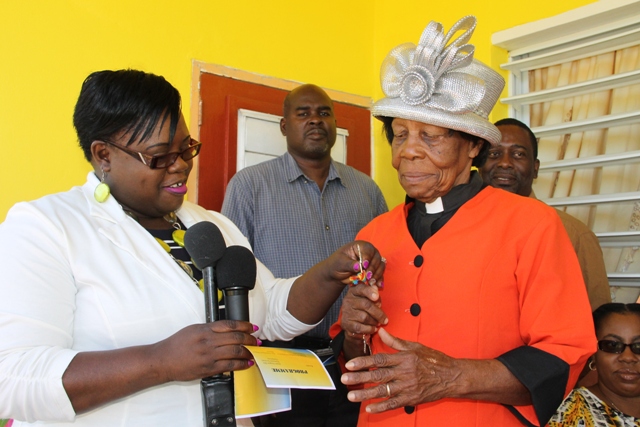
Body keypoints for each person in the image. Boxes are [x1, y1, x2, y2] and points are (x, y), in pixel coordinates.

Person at [0, 69, 385, 427]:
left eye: (187, 149)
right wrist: (160, 362)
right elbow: (12, 378)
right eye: (160, 156)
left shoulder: (209, 224)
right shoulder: (47, 227)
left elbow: (273, 311)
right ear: (104, 155)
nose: (181, 166)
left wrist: (331, 271)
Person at [329, 16, 596, 427]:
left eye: (430, 136)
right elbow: (357, 360)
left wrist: (453, 377)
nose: (408, 153)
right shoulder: (374, 234)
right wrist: (351, 330)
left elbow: (564, 353)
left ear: (473, 146)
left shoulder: (532, 225)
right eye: (400, 135)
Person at [221, 83, 387, 427]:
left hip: (351, 357)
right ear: (284, 126)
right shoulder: (249, 186)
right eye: (303, 113)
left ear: (335, 125)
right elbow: (232, 279)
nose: (315, 120)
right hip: (281, 360)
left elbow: (386, 265)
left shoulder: (366, 189)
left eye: (324, 113)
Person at [479, 118, 611, 311]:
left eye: (518, 154)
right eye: (494, 154)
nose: (505, 163)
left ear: (535, 168)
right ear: (479, 164)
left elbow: (598, 318)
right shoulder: (458, 226)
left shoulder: (573, 234)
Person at [549, 303, 640, 425]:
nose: (628, 358)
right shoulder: (568, 413)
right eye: (612, 345)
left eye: (639, 346)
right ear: (593, 353)